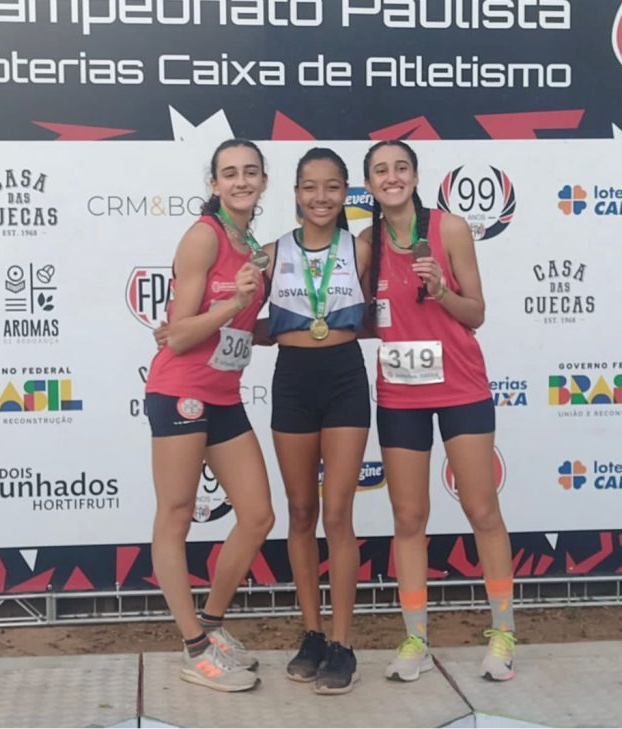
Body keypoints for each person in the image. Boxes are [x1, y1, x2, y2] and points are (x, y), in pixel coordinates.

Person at [359, 140, 516, 682]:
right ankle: (416, 640)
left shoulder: (450, 229)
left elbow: (476, 313)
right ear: (370, 185)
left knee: (482, 508)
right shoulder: (366, 243)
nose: (392, 177)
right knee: (408, 518)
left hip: (460, 387)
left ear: (415, 175)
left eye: (401, 167)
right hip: (400, 394)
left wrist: (442, 291)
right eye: (381, 171)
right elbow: (362, 317)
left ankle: (503, 632)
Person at [145, 139, 275, 692]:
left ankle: (214, 624)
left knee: (258, 515)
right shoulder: (204, 237)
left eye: (250, 172)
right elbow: (177, 336)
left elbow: (242, 331)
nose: (241, 181)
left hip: (224, 394)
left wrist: (301, 328)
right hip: (180, 392)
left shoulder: (256, 247)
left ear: (263, 182)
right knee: (176, 515)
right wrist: (233, 302)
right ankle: (194, 648)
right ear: (215, 184)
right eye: (230, 173)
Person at [259, 147, 371, 694]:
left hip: (345, 375)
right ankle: (312, 633)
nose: (320, 197)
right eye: (309, 186)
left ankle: (343, 644)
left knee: (338, 512)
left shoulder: (361, 248)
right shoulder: (271, 252)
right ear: (296, 193)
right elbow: (244, 317)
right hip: (293, 379)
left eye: (331, 187)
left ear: (345, 192)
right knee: (301, 511)